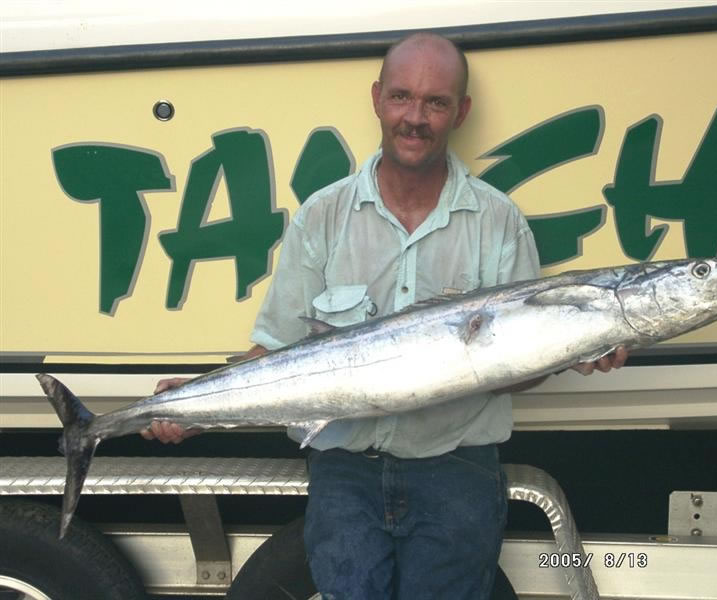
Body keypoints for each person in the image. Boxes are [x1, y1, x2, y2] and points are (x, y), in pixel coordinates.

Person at [143, 32, 627, 599]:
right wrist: (196, 403)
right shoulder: (323, 216)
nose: (415, 118)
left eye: (436, 102)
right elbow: (277, 351)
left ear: (461, 112)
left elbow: (515, 368)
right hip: (346, 471)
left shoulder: (498, 222)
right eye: (401, 97)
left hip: (457, 468)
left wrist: (568, 352)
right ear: (377, 99)